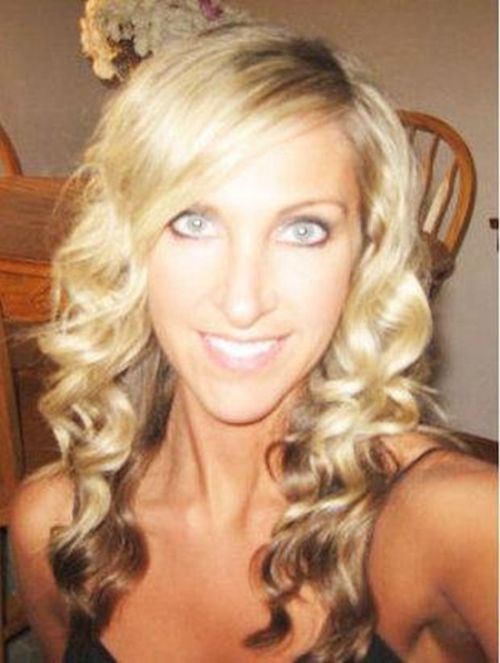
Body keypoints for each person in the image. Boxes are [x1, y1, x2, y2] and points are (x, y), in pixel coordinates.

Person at [10, 21, 497, 663]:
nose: (243, 302)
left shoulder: (461, 526)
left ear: (364, 256)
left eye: (303, 230)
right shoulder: (56, 526)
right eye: (194, 222)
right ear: (130, 244)